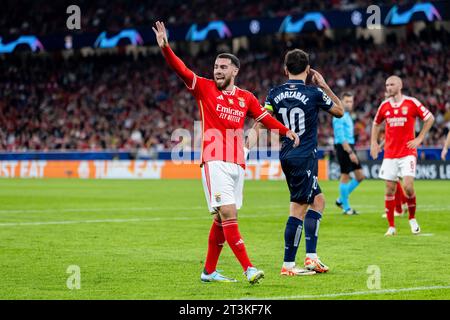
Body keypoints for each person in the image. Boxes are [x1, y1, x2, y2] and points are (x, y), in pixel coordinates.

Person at [153, 21, 299, 284]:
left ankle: (208, 271)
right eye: (215, 67)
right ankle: (249, 268)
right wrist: (166, 48)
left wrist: (285, 131)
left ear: (235, 70)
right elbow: (182, 70)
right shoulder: (204, 87)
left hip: (237, 163)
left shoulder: (246, 97)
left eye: (222, 68)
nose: (217, 71)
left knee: (223, 219)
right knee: (229, 214)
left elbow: (265, 118)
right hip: (214, 160)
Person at [247, 49, 344, 276]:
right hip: (304, 156)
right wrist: (324, 85)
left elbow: (261, 122)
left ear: (285, 69)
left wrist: (245, 147)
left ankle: (311, 257)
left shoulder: (274, 93)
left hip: (287, 154)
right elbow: (340, 111)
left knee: (318, 201)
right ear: (309, 70)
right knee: (298, 209)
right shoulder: (314, 93)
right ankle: (288, 265)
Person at [370, 75, 434, 236]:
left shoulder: (411, 103)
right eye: (386, 85)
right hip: (390, 153)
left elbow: (430, 118)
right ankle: (391, 226)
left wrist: (419, 138)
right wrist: (374, 144)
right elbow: (376, 124)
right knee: (390, 189)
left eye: (391, 84)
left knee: (408, 186)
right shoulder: (384, 106)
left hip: (407, 153)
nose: (388, 87)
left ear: (400, 85)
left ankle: (412, 219)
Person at [332, 92, 365, 215]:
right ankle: (346, 208)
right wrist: (350, 152)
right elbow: (340, 137)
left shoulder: (347, 115)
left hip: (349, 147)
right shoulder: (338, 115)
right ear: (341, 101)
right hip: (343, 148)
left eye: (351, 101)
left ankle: (341, 199)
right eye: (347, 101)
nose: (349, 104)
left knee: (360, 176)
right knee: (345, 175)